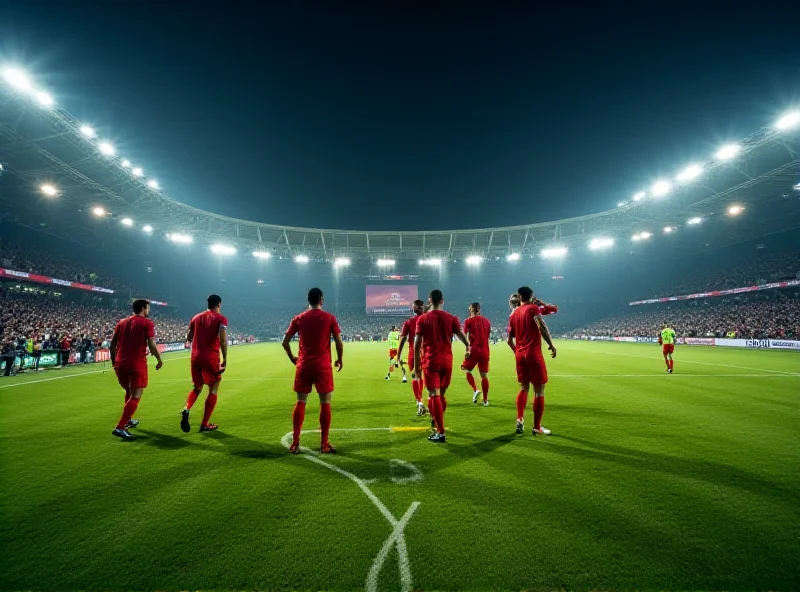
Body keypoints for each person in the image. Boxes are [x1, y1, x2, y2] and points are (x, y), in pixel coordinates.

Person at [282, 287, 344, 454]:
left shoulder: (299, 318)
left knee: (301, 402)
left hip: (303, 365)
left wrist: (293, 358)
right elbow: (339, 342)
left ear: (308, 300)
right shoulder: (329, 318)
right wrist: (339, 359)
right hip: (322, 365)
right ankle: (324, 444)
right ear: (321, 300)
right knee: (325, 403)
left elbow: (285, 342)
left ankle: (295, 443)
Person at [414, 289, 470, 444]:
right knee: (441, 395)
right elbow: (460, 335)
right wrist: (468, 346)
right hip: (447, 361)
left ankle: (440, 431)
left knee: (434, 395)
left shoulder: (423, 319)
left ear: (430, 300)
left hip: (432, 360)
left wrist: (417, 366)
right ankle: (436, 420)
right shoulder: (451, 318)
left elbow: (417, 342)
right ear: (442, 301)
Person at [110, 299, 163, 440]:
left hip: (120, 364)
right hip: (136, 364)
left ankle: (128, 420)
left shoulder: (121, 323)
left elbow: (113, 345)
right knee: (136, 395)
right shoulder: (147, 323)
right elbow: (151, 345)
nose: (149, 311)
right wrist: (159, 359)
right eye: (148, 308)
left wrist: (114, 362)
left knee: (128, 391)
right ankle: (120, 427)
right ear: (143, 308)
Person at [507, 286, 557, 436]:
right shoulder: (533, 308)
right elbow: (541, 326)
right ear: (531, 295)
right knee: (539, 390)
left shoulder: (513, 315)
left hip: (520, 354)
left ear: (520, 296)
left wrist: (518, 352)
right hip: (533, 353)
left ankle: (520, 419)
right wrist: (551, 344)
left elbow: (509, 339)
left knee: (523, 388)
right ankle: (536, 427)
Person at [180, 294, 228, 433]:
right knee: (213, 388)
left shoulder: (195, 317)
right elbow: (223, 340)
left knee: (197, 387)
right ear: (219, 304)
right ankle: (204, 423)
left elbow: (188, 337)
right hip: (210, 357)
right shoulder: (220, 319)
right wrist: (224, 358)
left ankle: (186, 408)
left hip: (195, 357)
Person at [396, 300, 427, 416]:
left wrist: (398, 355)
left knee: (415, 376)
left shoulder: (409, 321)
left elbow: (403, 339)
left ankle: (419, 402)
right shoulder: (428, 319)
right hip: (427, 353)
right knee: (423, 377)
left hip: (413, 352)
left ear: (414, 308)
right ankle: (422, 400)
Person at [462, 302, 492, 405]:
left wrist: (467, 349)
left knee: (465, 369)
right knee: (484, 375)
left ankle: (476, 390)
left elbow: (464, 335)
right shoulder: (487, 322)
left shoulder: (468, 321)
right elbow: (487, 336)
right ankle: (485, 400)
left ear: (472, 309)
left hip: (474, 350)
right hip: (485, 351)